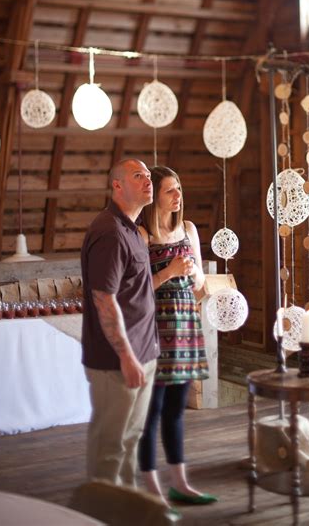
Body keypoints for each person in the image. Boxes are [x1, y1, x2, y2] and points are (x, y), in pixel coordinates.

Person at [137, 166, 217, 506]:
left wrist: (194, 271)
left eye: (179, 188)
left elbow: (200, 287)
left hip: (185, 325)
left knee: (176, 410)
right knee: (151, 410)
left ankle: (180, 483)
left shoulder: (188, 229)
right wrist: (169, 271)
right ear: (155, 194)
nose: (178, 195)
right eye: (171, 190)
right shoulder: (141, 234)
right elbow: (138, 290)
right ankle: (151, 487)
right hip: (155, 328)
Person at [81, 158, 159, 488]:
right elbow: (104, 298)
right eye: (138, 175)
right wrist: (126, 357)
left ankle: (126, 507)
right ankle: (101, 511)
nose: (148, 180)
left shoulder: (132, 229)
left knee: (131, 439)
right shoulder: (110, 232)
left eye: (149, 176)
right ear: (117, 186)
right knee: (110, 446)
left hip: (142, 352)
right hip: (116, 361)